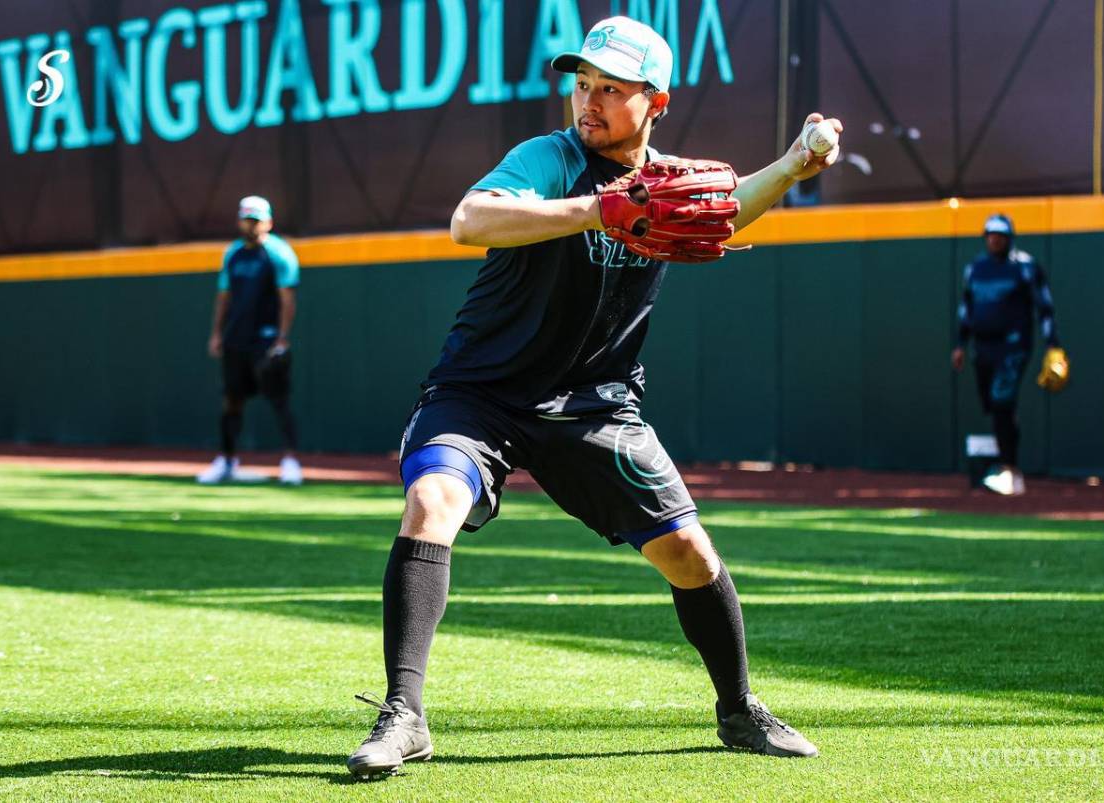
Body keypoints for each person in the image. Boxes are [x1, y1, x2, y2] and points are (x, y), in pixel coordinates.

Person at [346, 16, 841, 778]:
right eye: (583, 84)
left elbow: (728, 207)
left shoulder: (670, 181)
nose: (591, 100)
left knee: (688, 551)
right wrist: (598, 208)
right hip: (483, 391)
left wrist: (794, 161)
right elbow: (468, 220)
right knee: (432, 501)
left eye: (612, 88)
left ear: (657, 102)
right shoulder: (551, 157)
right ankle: (403, 714)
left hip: (597, 404)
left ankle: (739, 709)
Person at [951, 214, 1061, 496]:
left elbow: (1044, 308)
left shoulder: (1025, 267)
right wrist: (960, 344)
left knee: (1002, 402)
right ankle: (1006, 466)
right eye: (990, 234)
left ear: (1009, 237)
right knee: (993, 405)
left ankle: (1011, 470)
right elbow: (966, 307)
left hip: (1013, 347)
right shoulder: (976, 269)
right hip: (982, 347)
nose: (994, 239)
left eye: (999, 234)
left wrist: (1053, 346)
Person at [197, 195, 303, 486]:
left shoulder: (279, 253)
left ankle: (291, 461)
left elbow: (287, 299)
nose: (251, 225)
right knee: (231, 401)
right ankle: (227, 460)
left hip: (266, 340)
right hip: (236, 340)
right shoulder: (233, 254)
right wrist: (217, 333)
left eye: (256, 220)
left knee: (279, 401)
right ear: (239, 220)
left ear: (268, 222)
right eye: (247, 219)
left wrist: (282, 338)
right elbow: (224, 297)